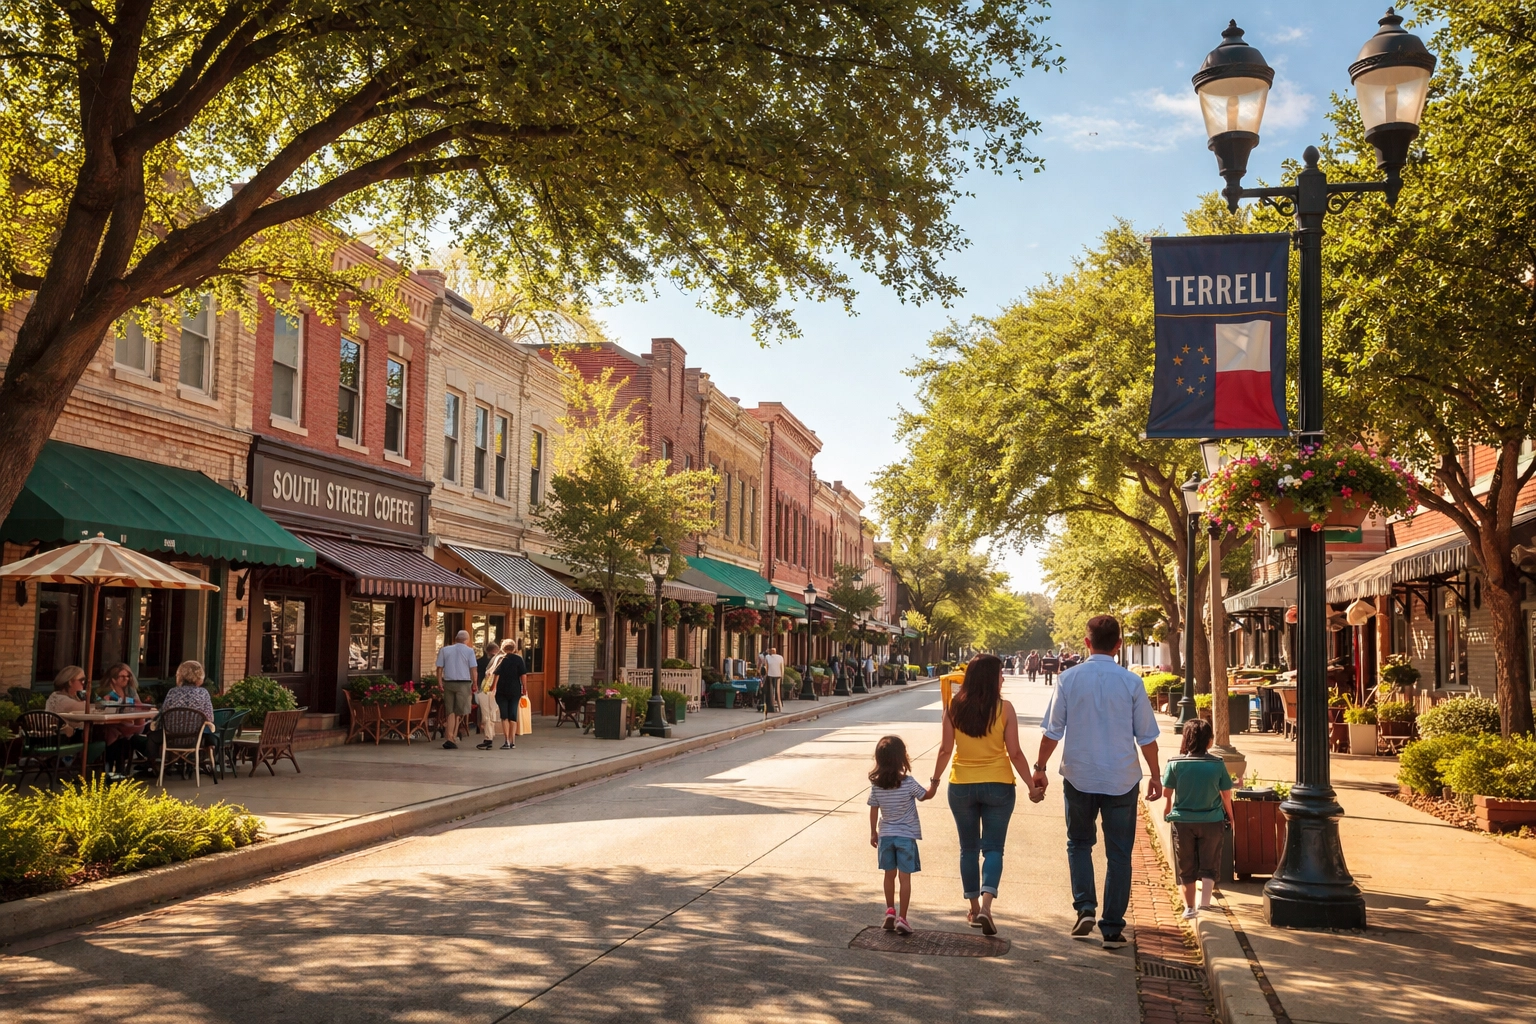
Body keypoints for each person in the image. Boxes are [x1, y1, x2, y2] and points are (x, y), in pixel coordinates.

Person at [1033, 615, 1161, 950]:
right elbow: (1147, 737)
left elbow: (1052, 732)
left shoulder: (1068, 679)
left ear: (1086, 643)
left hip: (1080, 774)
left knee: (1078, 843)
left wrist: (1040, 767)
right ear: (1118, 645)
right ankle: (1113, 928)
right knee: (1119, 853)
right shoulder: (1132, 683)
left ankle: (1085, 906)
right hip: (1122, 776)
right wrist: (1157, 775)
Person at [927, 654, 1041, 937]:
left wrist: (935, 782)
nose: (1003, 678)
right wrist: (1030, 785)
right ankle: (987, 907)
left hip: (961, 785)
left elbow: (945, 750)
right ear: (991, 678)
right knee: (993, 848)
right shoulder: (1005, 709)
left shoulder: (954, 707)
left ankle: (974, 906)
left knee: (968, 849)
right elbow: (1014, 753)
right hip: (999, 785)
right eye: (1000, 674)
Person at [1162, 718, 1234, 919]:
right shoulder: (1217, 764)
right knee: (1210, 861)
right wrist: (1230, 816)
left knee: (1186, 863)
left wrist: (1167, 811)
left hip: (1183, 820)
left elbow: (1167, 793)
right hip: (1212, 820)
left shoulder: (1175, 763)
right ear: (1209, 741)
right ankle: (1205, 904)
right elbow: (1226, 795)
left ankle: (1189, 907)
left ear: (1187, 739)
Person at [868, 734, 932, 936]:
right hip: (905, 837)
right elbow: (925, 795)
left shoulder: (877, 785)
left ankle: (889, 911)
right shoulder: (908, 782)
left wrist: (873, 832)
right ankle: (902, 918)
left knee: (889, 876)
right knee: (905, 879)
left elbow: (873, 808)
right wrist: (935, 784)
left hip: (886, 836)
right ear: (901, 758)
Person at [98, 662, 151, 773]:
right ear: (113, 679)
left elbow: (139, 706)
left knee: (129, 732)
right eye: (122, 676)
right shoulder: (106, 691)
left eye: (128, 676)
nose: (126, 679)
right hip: (110, 724)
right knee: (115, 733)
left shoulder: (130, 691)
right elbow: (103, 708)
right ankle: (114, 769)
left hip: (129, 724)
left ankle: (120, 769)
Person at [434, 629, 479, 749]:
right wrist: (475, 683)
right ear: (467, 640)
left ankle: (449, 737)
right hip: (463, 684)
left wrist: (440, 683)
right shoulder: (470, 651)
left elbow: (439, 668)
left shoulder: (445, 650)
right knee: (459, 711)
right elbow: (473, 669)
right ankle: (452, 737)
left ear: (456, 638)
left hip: (448, 682)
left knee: (450, 711)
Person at [492, 639, 527, 749]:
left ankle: (506, 740)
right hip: (515, 690)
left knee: (504, 716)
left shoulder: (501, 659)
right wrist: (524, 688)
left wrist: (493, 687)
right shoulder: (519, 659)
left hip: (502, 690)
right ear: (514, 648)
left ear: (503, 648)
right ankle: (513, 741)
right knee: (513, 714)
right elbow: (523, 675)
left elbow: (496, 674)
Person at [161, 660, 216, 727]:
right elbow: (210, 718)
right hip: (196, 735)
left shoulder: (172, 692)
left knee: (151, 734)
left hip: (171, 735)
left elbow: (164, 714)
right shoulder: (203, 693)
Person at [474, 642, 505, 751]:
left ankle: (488, 738)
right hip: (495, 691)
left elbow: (481, 675)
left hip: (486, 690)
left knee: (486, 715)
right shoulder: (501, 660)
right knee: (490, 714)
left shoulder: (482, 662)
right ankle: (490, 735)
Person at [45, 666, 90, 738]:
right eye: (82, 680)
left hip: (57, 739)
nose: (84, 684)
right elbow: (87, 708)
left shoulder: (56, 696)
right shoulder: (61, 700)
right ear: (70, 682)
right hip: (62, 741)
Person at [761, 646, 785, 712]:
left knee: (771, 691)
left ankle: (772, 706)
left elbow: (766, 667)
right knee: (777, 692)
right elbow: (782, 668)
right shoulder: (780, 657)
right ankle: (780, 708)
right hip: (778, 674)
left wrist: (765, 677)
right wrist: (782, 676)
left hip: (770, 674)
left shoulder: (768, 657)